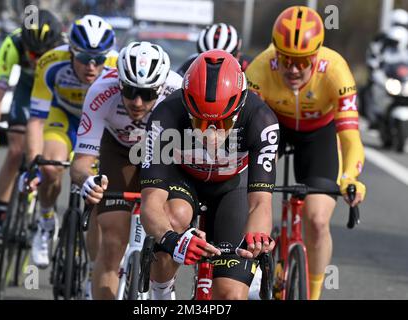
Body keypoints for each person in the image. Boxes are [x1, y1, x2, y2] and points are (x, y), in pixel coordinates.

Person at [136, 49, 278, 300]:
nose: (210, 134)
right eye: (200, 122)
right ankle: (161, 295)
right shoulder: (166, 116)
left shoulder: (261, 119)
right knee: (175, 216)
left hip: (233, 187)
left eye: (222, 123)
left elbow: (260, 204)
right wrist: (170, 239)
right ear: (187, 106)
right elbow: (151, 203)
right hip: (184, 181)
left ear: (239, 107)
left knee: (231, 295)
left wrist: (257, 238)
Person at [246, 6, 366, 300]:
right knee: (251, 194)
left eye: (302, 61)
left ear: (317, 54)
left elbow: (350, 137)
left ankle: (312, 295)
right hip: (272, 125)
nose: (293, 69)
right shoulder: (260, 69)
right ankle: (249, 270)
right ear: (275, 53)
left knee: (317, 219)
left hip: (318, 134)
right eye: (285, 59)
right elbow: (246, 135)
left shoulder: (336, 70)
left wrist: (350, 177)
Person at [70, 41, 182, 300]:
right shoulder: (100, 91)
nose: (138, 101)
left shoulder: (178, 91)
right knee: (112, 242)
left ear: (162, 87)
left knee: (170, 228)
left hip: (163, 152)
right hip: (118, 150)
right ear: (119, 83)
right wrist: (87, 180)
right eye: (130, 91)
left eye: (147, 93)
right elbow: (80, 163)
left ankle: (163, 290)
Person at [25, 14, 118, 269]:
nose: (91, 66)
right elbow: (35, 120)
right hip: (64, 116)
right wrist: (34, 162)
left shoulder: (117, 67)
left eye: (98, 59)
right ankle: (45, 222)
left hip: (100, 125)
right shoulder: (50, 62)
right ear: (70, 53)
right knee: (50, 167)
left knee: (99, 192)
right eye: (84, 58)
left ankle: (93, 270)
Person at [0, 10, 64, 251]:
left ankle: (43, 215)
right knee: (16, 150)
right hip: (26, 93)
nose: (36, 59)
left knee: (50, 158)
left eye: (42, 54)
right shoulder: (13, 43)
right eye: (32, 54)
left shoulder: (64, 48)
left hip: (53, 95)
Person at [176, 23, 251, 76]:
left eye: (222, 62)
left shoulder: (248, 65)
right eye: (207, 61)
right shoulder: (191, 63)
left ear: (238, 55)